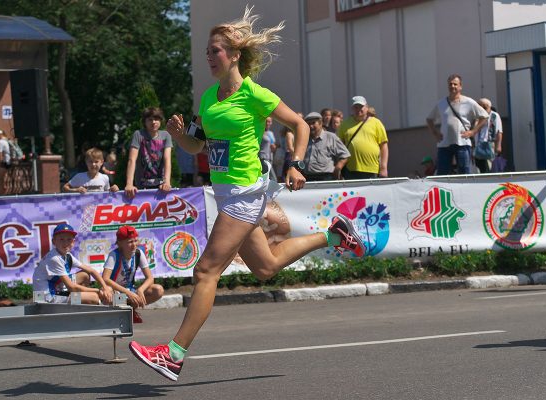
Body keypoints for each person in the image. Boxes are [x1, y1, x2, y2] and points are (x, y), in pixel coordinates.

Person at [128, 7, 366, 382]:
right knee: (266, 267)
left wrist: (296, 164)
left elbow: (300, 125)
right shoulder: (208, 98)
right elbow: (196, 147)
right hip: (226, 194)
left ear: (235, 55)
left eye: (215, 51)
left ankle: (173, 355)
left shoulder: (255, 94)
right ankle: (335, 233)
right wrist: (177, 135)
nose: (209, 57)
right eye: (207, 52)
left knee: (205, 271)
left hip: (244, 193)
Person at [32, 223, 113, 304]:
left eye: (69, 239)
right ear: (54, 241)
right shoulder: (54, 259)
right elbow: (72, 288)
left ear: (73, 242)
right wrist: (99, 291)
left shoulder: (67, 255)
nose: (65, 243)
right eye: (61, 239)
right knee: (94, 297)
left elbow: (91, 270)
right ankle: (88, 303)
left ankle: (81, 303)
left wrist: (104, 287)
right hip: (46, 298)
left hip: (56, 288)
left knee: (84, 275)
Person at [426, 74, 488, 175]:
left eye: (455, 84)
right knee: (442, 173)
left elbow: (484, 116)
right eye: (450, 84)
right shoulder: (441, 103)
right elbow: (429, 119)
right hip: (444, 143)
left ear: (460, 86)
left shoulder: (468, 102)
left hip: (462, 142)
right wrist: (435, 133)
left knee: (464, 173)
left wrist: (473, 131)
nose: (452, 86)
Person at [101, 225, 164, 323]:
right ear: (120, 243)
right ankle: (118, 312)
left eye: (135, 241)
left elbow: (150, 278)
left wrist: (140, 290)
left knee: (158, 290)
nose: (134, 244)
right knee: (107, 290)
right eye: (130, 242)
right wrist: (127, 293)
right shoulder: (114, 255)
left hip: (130, 290)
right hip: (116, 291)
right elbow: (105, 279)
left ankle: (131, 309)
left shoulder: (139, 253)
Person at [125, 107, 173, 198]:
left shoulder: (166, 135)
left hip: (161, 184)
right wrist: (129, 184)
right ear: (144, 121)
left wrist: (167, 182)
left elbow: (167, 160)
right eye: (150, 119)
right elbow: (132, 160)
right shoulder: (138, 134)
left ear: (160, 121)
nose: (153, 122)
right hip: (141, 184)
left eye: (156, 119)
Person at [338, 96, 389, 179]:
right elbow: (339, 146)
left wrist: (383, 168)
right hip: (350, 169)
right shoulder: (344, 124)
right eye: (356, 107)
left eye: (361, 107)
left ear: (366, 108)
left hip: (372, 169)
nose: (358, 110)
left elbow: (384, 146)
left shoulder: (376, 123)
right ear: (352, 109)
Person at [302, 111, 350, 181]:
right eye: (308, 124)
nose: (311, 126)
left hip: (326, 177)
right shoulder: (304, 139)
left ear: (320, 123)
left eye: (313, 123)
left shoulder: (331, 137)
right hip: (308, 177)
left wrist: (337, 169)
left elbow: (345, 155)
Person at [472, 98, 503, 173]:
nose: (482, 109)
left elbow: (499, 131)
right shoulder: (476, 116)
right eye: (480, 107)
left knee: (488, 166)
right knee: (478, 167)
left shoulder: (494, 116)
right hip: (477, 145)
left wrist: (498, 145)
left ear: (489, 107)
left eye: (485, 107)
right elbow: (473, 131)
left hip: (489, 144)